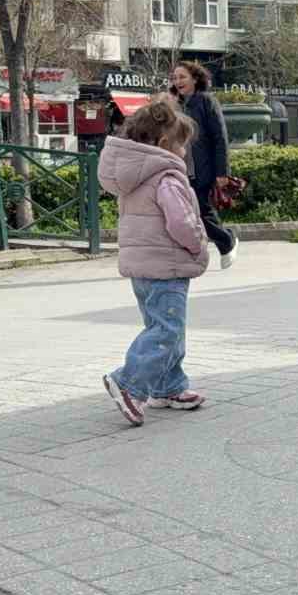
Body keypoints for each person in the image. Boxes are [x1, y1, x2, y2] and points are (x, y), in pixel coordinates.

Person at [98, 96, 209, 425]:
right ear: (164, 143)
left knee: (161, 326)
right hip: (167, 265)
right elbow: (181, 222)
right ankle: (129, 383)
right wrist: (198, 245)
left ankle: (168, 386)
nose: (184, 153)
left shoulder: (134, 176)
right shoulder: (166, 178)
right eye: (182, 146)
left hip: (143, 268)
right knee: (167, 330)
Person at [170, 62, 238, 269]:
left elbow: (220, 138)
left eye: (182, 77)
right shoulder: (176, 103)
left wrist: (222, 171)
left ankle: (227, 240)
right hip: (181, 167)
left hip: (203, 167)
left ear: (195, 79)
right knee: (186, 212)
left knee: (200, 211)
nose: (178, 81)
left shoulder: (206, 101)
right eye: (175, 78)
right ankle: (207, 246)